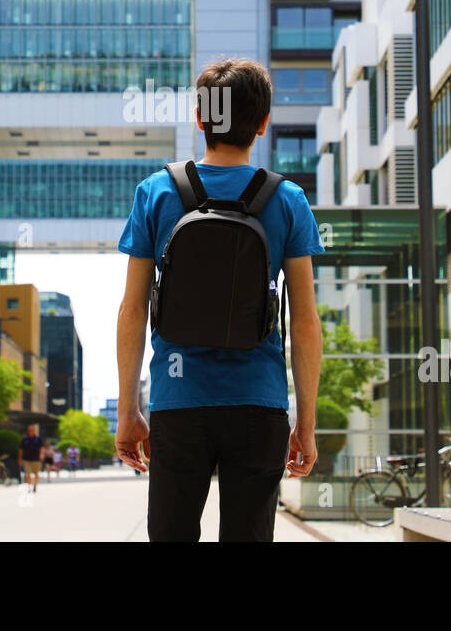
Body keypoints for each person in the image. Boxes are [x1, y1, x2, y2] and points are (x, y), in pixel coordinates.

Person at [115, 58, 324, 542]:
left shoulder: (156, 192)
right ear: (263, 122)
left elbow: (132, 309)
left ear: (200, 117)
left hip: (179, 401)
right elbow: (306, 322)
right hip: (258, 404)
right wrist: (305, 423)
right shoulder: (287, 199)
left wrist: (129, 408)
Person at [18, 424, 44, 492]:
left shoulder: (38, 438)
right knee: (28, 473)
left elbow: (42, 448)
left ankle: (35, 485)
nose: (31, 431)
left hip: (36, 459)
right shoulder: (25, 439)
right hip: (27, 459)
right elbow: (21, 450)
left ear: (34, 431)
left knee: (36, 474)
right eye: (29, 430)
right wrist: (20, 459)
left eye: (32, 430)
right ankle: (29, 487)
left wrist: (42, 454)